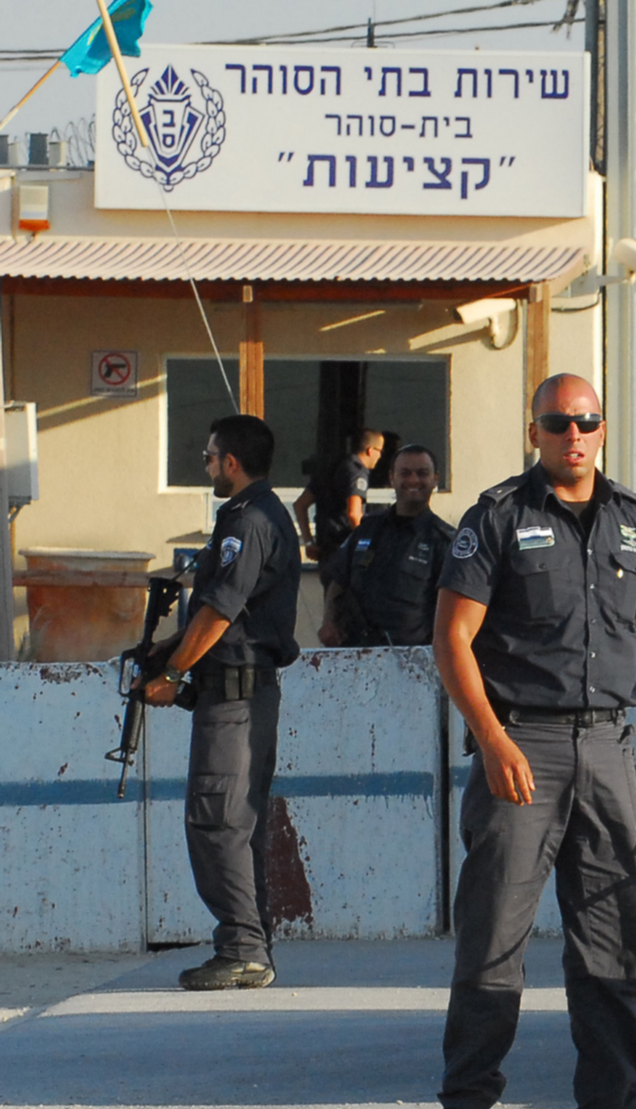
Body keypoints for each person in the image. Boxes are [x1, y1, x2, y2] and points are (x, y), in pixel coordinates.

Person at [434, 374, 636, 1109]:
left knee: (613, 944)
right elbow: (452, 639)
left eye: (587, 422)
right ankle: (469, 1096)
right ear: (536, 433)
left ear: (601, 429)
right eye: (558, 423)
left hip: (609, 754)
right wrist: (491, 739)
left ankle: (615, 1099)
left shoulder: (633, 521)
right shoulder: (496, 517)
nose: (574, 435)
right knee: (494, 942)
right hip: (522, 750)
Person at [142, 414, 302, 991]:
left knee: (217, 823)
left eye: (210, 457)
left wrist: (175, 673)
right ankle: (249, 942)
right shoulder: (254, 516)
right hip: (240, 695)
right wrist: (166, 649)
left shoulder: (248, 521)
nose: (207, 465)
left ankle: (242, 949)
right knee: (238, 824)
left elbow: (220, 610)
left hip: (234, 700)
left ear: (231, 462)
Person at [318, 444, 453, 647]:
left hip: (413, 662)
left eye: (422, 473)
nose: (413, 480)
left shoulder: (444, 542)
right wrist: (328, 622)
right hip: (355, 657)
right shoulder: (368, 530)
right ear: (392, 478)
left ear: (435, 479)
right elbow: (337, 580)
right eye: (405, 473)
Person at [295, 429, 384, 570]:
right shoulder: (356, 472)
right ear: (370, 450)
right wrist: (371, 544)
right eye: (380, 451)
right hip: (345, 550)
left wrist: (308, 541)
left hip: (326, 551)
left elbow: (300, 505)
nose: (380, 456)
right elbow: (354, 514)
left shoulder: (331, 468)